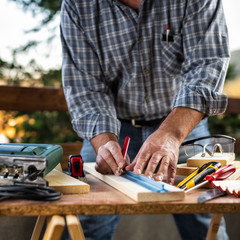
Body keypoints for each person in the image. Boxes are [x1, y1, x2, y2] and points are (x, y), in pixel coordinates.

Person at [60, 0, 230, 239]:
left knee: (205, 220)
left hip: (183, 125)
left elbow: (206, 64)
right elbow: (85, 88)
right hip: (112, 129)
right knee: (87, 220)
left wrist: (170, 134)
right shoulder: (78, 5)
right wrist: (105, 142)